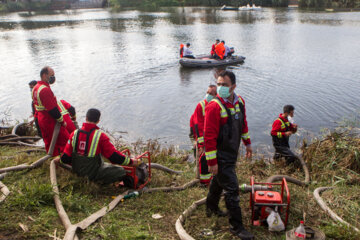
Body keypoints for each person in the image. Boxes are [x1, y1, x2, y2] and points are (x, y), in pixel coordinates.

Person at [204, 71, 254, 239]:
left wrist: (248, 143)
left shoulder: (239, 102)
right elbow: (208, 136)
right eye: (218, 84)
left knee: (218, 182)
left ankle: (211, 208)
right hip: (220, 155)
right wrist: (212, 161)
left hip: (231, 152)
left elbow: (243, 124)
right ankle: (236, 227)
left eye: (224, 85)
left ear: (233, 86)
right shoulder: (214, 106)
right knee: (232, 189)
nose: (220, 88)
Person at [59, 108, 141, 186]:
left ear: (86, 118)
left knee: (104, 163)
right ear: (98, 121)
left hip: (77, 172)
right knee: (121, 171)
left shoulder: (74, 133)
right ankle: (98, 181)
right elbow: (114, 157)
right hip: (92, 174)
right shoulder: (100, 136)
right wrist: (131, 161)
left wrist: (60, 160)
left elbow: (65, 158)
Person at [32, 66, 70, 156]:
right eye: (52, 75)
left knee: (48, 140)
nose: (53, 77)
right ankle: (65, 161)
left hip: (42, 119)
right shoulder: (45, 90)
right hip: (49, 120)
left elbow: (36, 106)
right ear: (45, 75)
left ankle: (52, 157)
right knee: (65, 140)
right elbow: (53, 110)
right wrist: (62, 121)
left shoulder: (36, 87)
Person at [191, 84, 217, 185]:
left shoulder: (217, 105)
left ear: (216, 95)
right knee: (202, 158)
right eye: (207, 92)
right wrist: (201, 144)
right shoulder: (201, 105)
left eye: (211, 93)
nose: (208, 95)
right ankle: (203, 182)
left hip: (209, 136)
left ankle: (211, 179)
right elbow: (198, 126)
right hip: (199, 134)